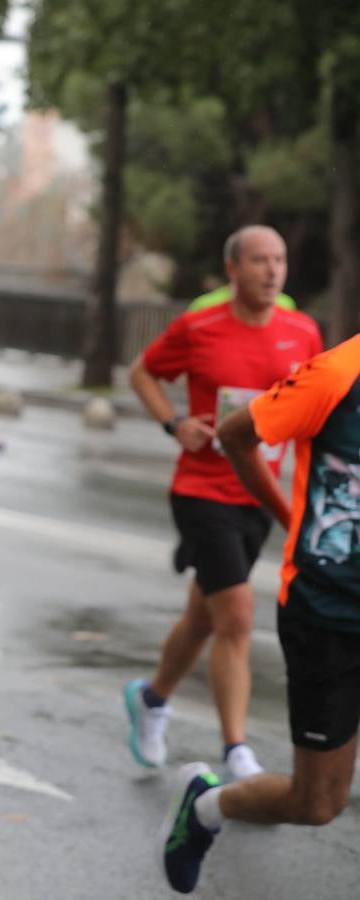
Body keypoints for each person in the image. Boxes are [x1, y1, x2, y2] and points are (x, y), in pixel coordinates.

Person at [159, 335, 360, 894]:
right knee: (316, 803)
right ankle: (206, 807)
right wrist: (287, 513)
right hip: (331, 615)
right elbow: (235, 434)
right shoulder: (338, 374)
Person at [123, 226, 323, 782]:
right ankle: (236, 749)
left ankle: (151, 699)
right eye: (259, 260)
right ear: (232, 269)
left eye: (279, 259)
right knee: (235, 613)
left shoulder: (302, 331)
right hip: (201, 489)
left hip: (259, 493)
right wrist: (174, 422)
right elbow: (143, 372)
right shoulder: (200, 327)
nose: (272, 270)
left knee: (201, 617)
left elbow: (313, 410)